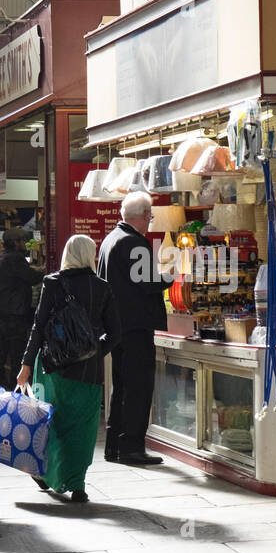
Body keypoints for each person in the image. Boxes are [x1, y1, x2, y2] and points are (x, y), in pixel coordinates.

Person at [16, 234, 121, 503]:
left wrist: (26, 364)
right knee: (83, 428)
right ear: (90, 254)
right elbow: (116, 333)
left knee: (53, 421)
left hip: (55, 369)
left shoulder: (53, 283)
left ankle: (45, 472)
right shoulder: (103, 287)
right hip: (89, 372)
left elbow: (38, 326)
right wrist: (95, 353)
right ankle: (77, 484)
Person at [97, 190, 167, 466]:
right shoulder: (134, 242)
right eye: (150, 216)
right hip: (136, 326)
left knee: (121, 387)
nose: (150, 221)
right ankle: (132, 448)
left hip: (117, 327)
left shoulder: (110, 239)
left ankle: (114, 446)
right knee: (138, 388)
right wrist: (173, 276)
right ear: (142, 216)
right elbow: (148, 283)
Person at [0, 227, 43, 397]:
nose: (25, 244)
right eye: (23, 241)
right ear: (16, 242)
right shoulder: (15, 258)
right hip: (13, 314)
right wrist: (46, 271)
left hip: (0, 312)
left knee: (0, 352)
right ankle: (13, 388)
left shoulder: (2, 257)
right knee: (16, 351)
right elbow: (31, 277)